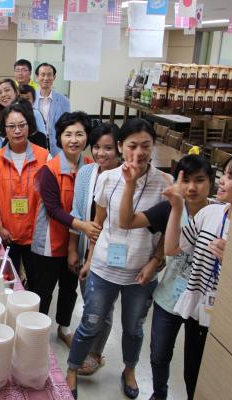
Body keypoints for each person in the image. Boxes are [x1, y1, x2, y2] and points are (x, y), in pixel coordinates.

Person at [66, 118, 171, 400]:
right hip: (103, 268)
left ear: (153, 147)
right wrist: (88, 260)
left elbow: (164, 232)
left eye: (146, 146)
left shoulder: (165, 183)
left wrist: (155, 261)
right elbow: (97, 224)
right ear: (122, 146)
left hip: (140, 273)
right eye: (132, 145)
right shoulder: (106, 178)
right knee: (91, 321)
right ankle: (72, 369)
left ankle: (129, 370)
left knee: (134, 328)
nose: (139, 153)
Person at [118, 151, 214, 400]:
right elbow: (127, 221)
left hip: (202, 305)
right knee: (159, 354)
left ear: (211, 182)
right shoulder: (171, 207)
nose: (192, 187)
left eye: (200, 180)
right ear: (176, 181)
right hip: (169, 298)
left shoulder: (220, 216)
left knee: (195, 364)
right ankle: (159, 394)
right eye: (186, 180)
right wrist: (130, 184)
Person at [163, 155, 232, 400]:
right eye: (225, 174)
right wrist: (176, 208)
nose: (224, 181)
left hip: (229, 320)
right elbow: (172, 247)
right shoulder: (212, 213)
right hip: (199, 312)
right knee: (192, 376)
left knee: (221, 381)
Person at [31, 111, 99, 349]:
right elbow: (52, 209)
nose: (73, 140)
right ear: (59, 138)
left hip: (78, 243)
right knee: (43, 289)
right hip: (49, 241)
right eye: (67, 134)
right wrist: (82, 225)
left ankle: (64, 327)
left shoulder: (92, 167)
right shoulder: (49, 169)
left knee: (69, 288)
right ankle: (38, 330)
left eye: (79, 134)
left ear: (87, 138)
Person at [68, 122, 121, 376]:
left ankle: (96, 353)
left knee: (104, 303)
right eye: (97, 147)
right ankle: (88, 346)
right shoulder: (86, 172)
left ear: (119, 148)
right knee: (89, 298)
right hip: (84, 240)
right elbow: (77, 212)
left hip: (110, 248)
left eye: (108, 148)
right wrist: (73, 249)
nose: (102, 153)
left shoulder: (125, 176)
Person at [0, 102, 51, 290]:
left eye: (22, 125)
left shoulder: (44, 157)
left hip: (35, 234)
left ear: (29, 126)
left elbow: (49, 199)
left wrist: (41, 229)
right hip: (7, 233)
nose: (17, 131)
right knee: (7, 283)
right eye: (11, 126)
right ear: (4, 130)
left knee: (36, 283)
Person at [33, 63, 71, 156]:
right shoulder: (31, 98)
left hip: (56, 144)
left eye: (49, 75)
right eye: (42, 74)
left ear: (54, 77)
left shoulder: (64, 101)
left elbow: (67, 125)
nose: (46, 78)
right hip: (35, 143)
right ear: (37, 77)